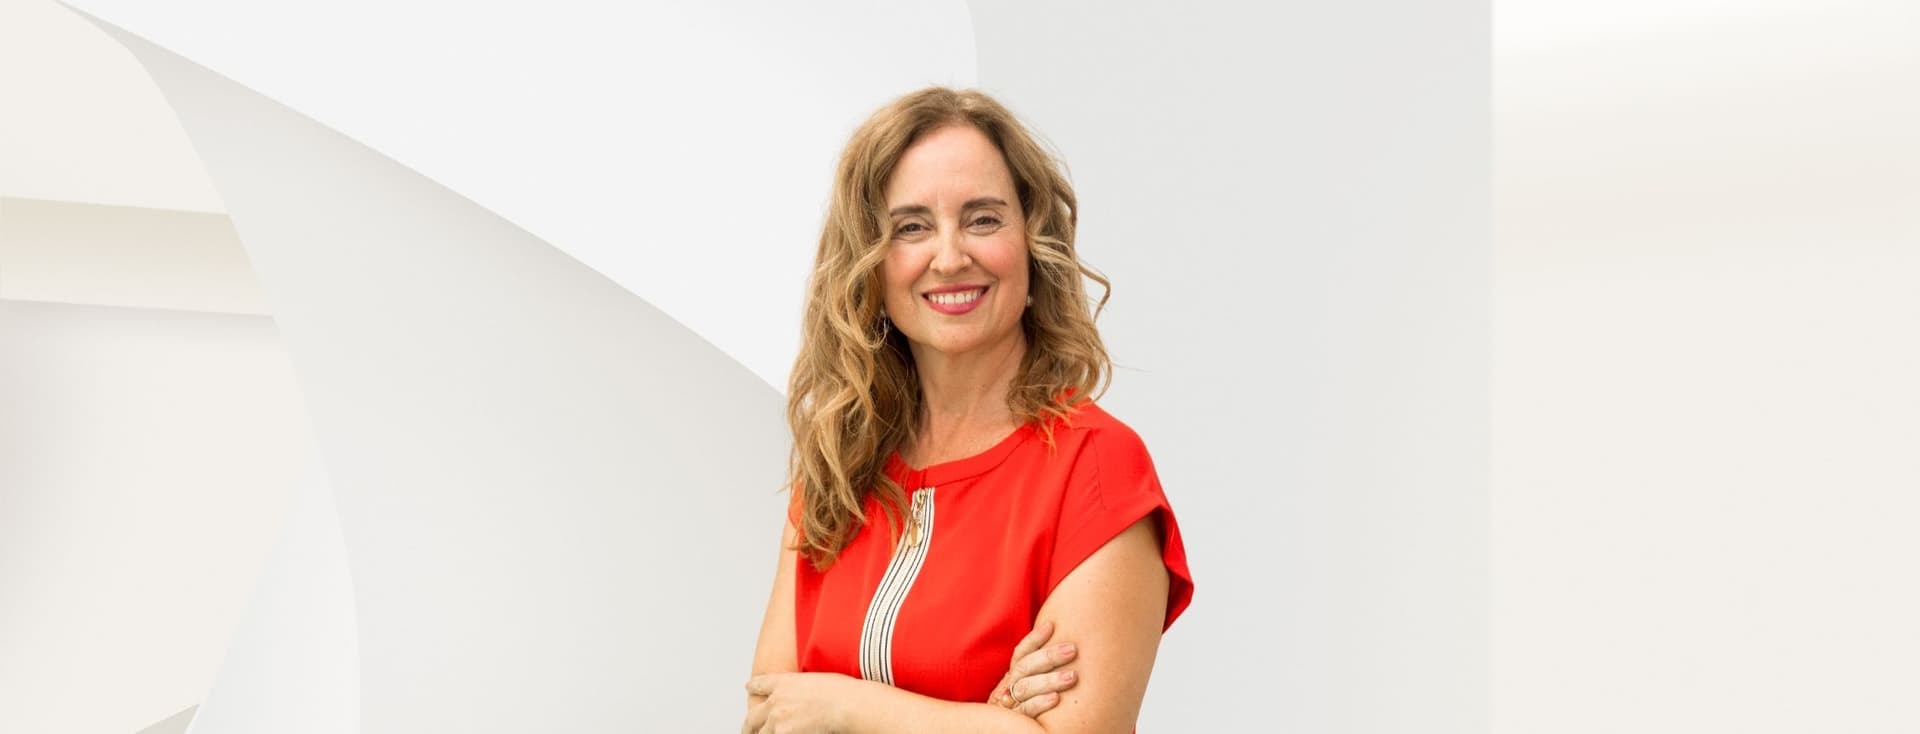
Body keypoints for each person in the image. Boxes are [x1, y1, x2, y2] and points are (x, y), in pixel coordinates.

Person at [744, 87, 1194, 733]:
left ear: (1034, 241)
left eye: (983, 219)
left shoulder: (1094, 468)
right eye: (911, 227)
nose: (950, 257)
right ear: (869, 260)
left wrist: (845, 708)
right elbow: (770, 716)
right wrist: (987, 721)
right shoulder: (840, 464)